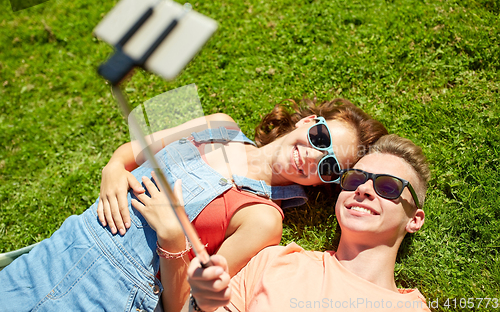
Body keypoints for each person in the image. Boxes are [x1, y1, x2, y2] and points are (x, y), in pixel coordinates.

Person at [0, 97, 387, 312]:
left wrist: (172, 238)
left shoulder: (263, 219)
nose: (313, 156)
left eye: (330, 164)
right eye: (321, 137)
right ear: (308, 121)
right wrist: (113, 167)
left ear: (327, 181)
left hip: (112, 298)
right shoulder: (217, 122)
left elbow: (183, 305)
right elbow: (133, 148)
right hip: (62, 247)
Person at [186, 134, 432, 312]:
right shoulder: (275, 262)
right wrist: (200, 302)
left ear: (414, 219)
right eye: (355, 179)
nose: (364, 189)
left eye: (388, 186)